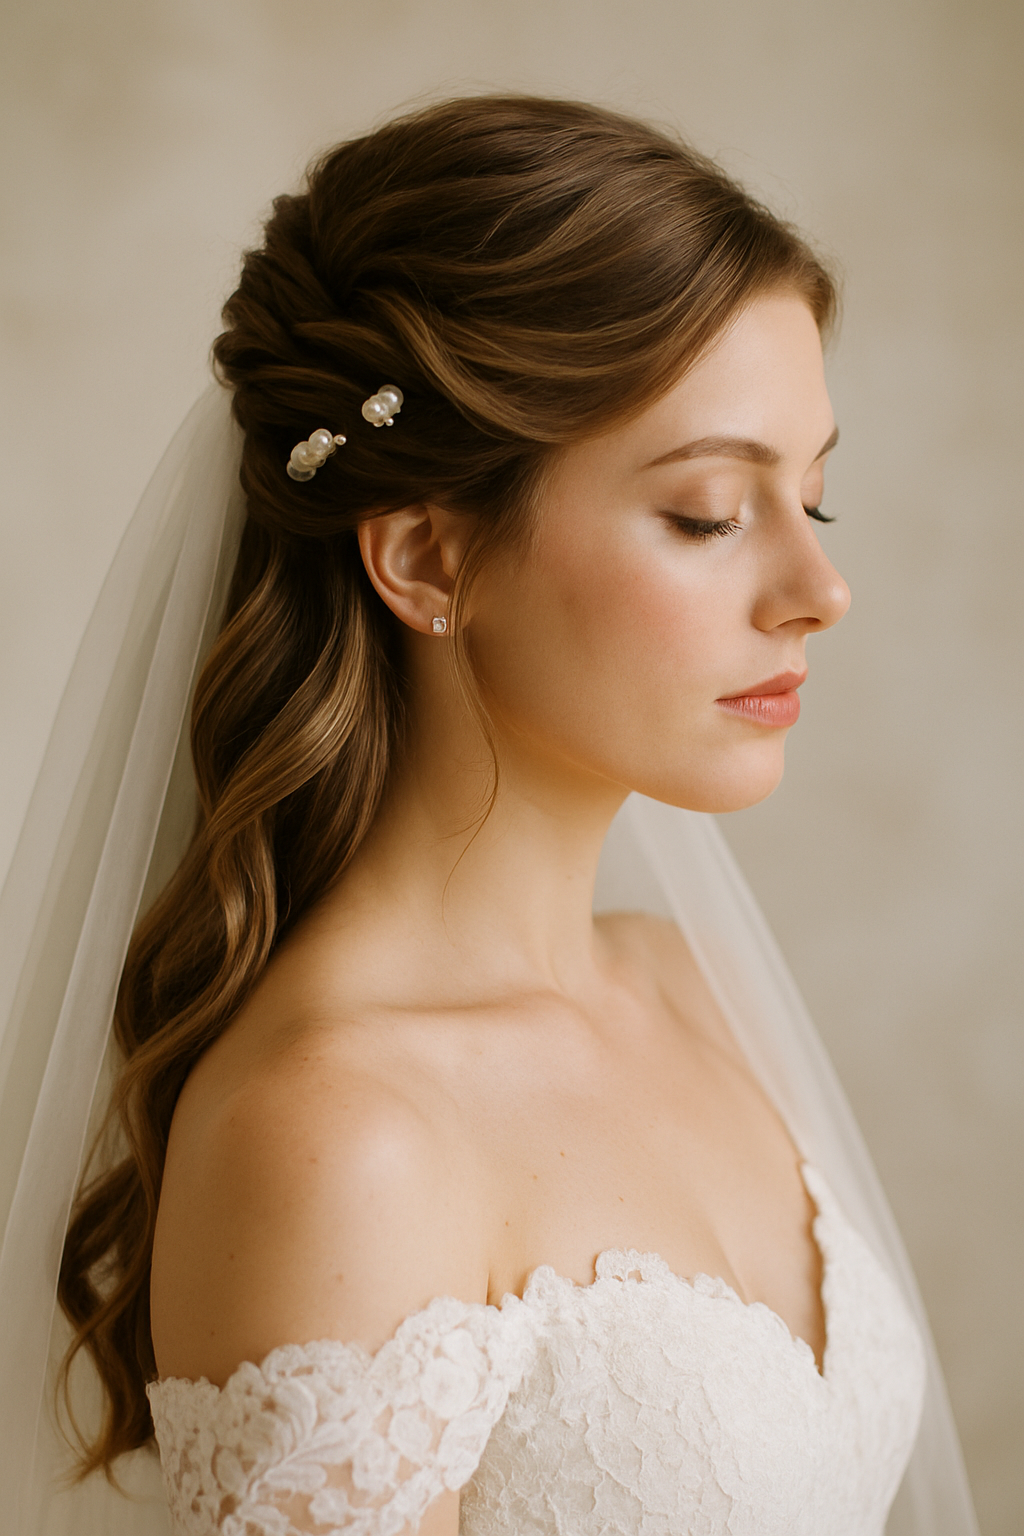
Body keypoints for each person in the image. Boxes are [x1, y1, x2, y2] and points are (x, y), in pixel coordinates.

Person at [0, 96, 978, 1535]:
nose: (817, 592)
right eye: (709, 512)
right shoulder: (336, 1138)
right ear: (425, 553)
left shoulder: (689, 986)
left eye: (812, 502)